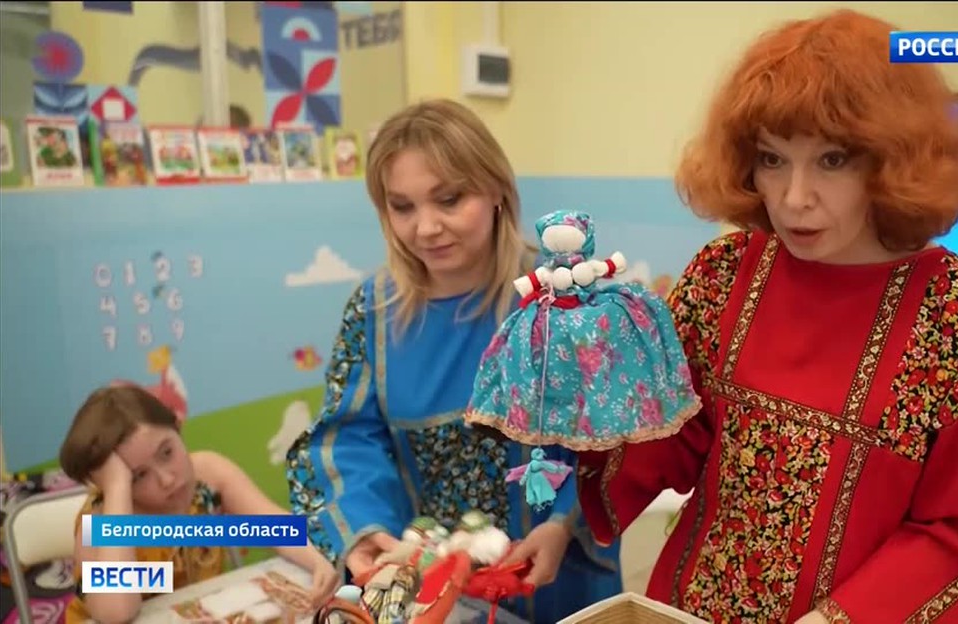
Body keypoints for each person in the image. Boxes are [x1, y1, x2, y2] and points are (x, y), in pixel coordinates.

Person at [576, 9, 958, 624]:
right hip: (691, 609)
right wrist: (584, 392)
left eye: (832, 160)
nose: (794, 198)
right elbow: (665, 435)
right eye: (772, 159)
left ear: (891, 159)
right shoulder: (724, 274)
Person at [285, 98, 623, 623]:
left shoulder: (563, 297)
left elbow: (614, 431)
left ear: (495, 189)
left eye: (449, 199)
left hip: (560, 580)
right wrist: (367, 529)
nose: (426, 227)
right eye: (402, 207)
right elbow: (347, 439)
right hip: (432, 590)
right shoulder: (374, 311)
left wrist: (562, 522)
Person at [60, 385, 340, 623]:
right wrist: (117, 490)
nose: (167, 479)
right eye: (138, 476)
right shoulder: (100, 522)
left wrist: (318, 560)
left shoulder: (208, 476)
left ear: (177, 428)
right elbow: (118, 612)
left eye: (166, 452)